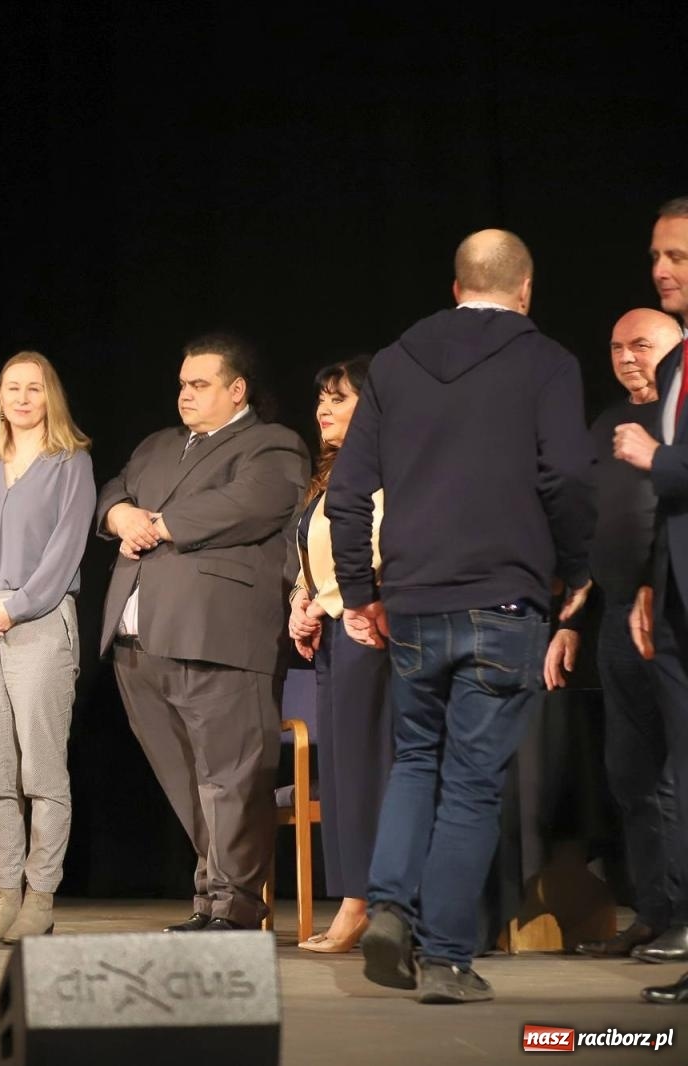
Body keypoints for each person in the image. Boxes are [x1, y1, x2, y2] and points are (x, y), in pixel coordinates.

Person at [329, 229, 594, 1005]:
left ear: (456, 288)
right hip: (506, 599)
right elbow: (567, 476)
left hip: (414, 599)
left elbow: (347, 492)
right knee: (473, 784)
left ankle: (387, 908)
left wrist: (359, 592)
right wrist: (575, 568)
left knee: (416, 761)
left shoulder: (395, 363)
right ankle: (445, 959)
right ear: (526, 289)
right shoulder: (547, 362)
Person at [97, 334, 309, 934]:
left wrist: (158, 525)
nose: (185, 395)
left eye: (200, 384)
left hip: (217, 639)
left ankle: (235, 907)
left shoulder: (272, 444)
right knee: (186, 779)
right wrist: (120, 515)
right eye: (182, 385)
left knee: (230, 777)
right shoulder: (159, 445)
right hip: (141, 646)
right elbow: (115, 488)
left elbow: (250, 503)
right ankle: (211, 898)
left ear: (237, 390)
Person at [0, 352, 94, 943]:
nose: (23, 398)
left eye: (34, 388)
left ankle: (40, 897)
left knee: (41, 768)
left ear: (49, 396)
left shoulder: (71, 464)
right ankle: (5, 894)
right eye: (13, 388)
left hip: (38, 623)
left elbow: (66, 550)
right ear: (0, 398)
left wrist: (17, 605)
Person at [551, 309, 678, 962]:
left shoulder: (679, 425)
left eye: (642, 345)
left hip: (675, 616)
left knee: (678, 775)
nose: (627, 356)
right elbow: (590, 523)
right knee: (631, 775)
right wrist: (572, 619)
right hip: (617, 620)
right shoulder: (605, 424)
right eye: (617, 346)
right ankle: (654, 915)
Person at [285, 356, 390, 953]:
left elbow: (380, 548)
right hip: (331, 631)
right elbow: (315, 553)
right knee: (340, 770)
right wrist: (301, 601)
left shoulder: (385, 467)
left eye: (339, 398)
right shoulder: (330, 474)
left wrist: (335, 602)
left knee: (363, 768)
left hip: (366, 628)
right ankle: (353, 897)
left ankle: (366, 903)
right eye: (322, 398)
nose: (323, 409)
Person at [613, 197, 688, 1003]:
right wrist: (649, 581)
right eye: (657, 256)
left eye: (679, 257)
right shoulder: (678, 367)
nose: (662, 270)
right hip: (671, 602)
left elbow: (672, 475)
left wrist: (656, 458)